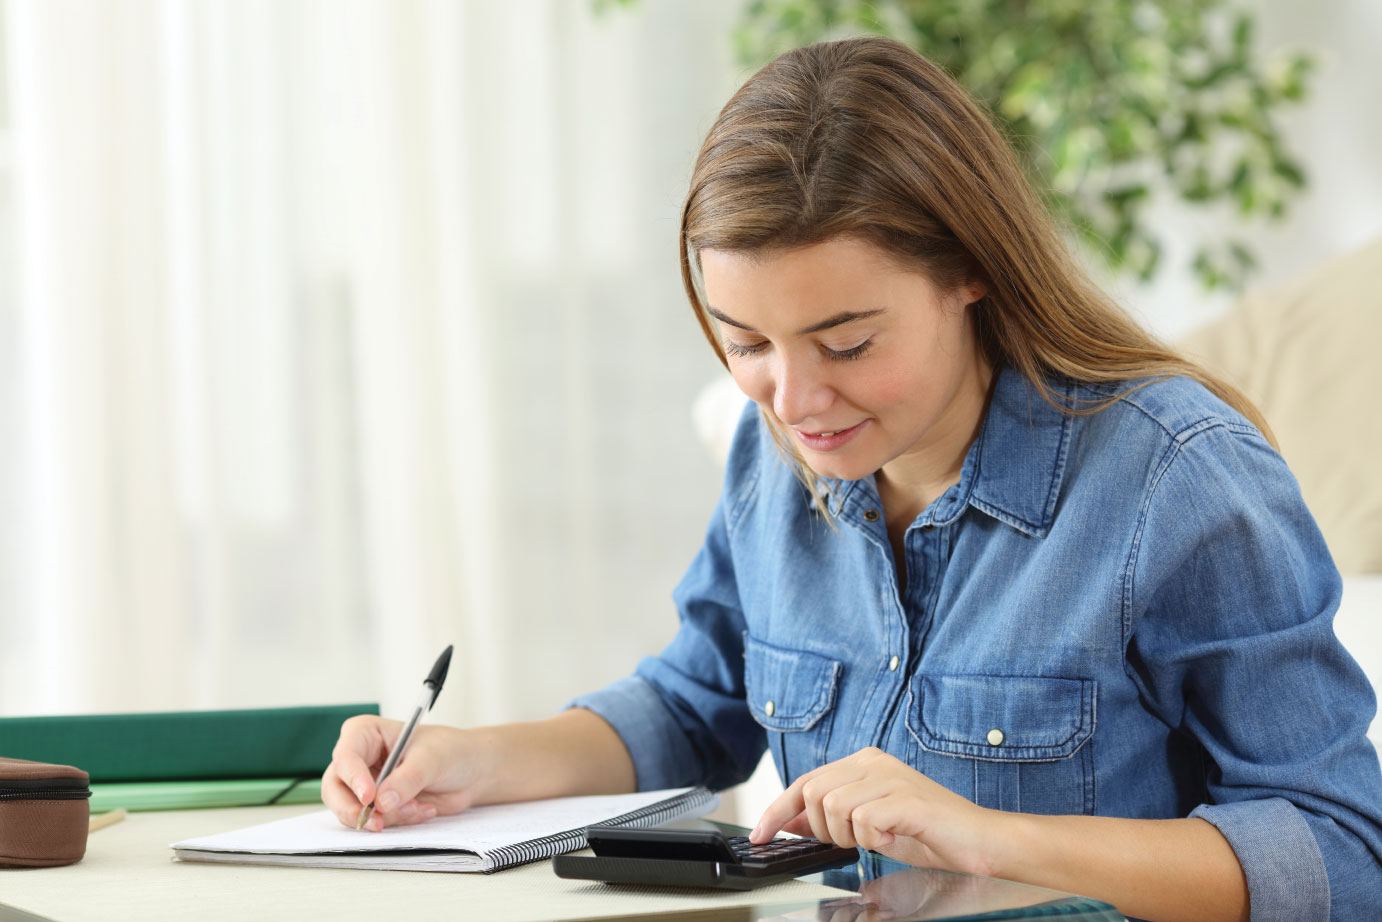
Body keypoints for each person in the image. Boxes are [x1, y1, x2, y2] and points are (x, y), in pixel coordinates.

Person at [322, 36, 1382, 921]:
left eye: (845, 340)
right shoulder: (774, 460)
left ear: (970, 270)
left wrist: (987, 838)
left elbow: (1337, 851)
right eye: (745, 342)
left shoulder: (1176, 478)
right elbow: (696, 707)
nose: (792, 398)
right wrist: (469, 763)